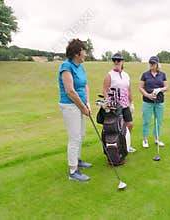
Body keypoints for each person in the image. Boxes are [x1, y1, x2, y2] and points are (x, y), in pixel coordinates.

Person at [58, 39, 93, 182]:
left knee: (81, 135)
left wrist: (88, 103)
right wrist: (83, 107)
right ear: (78, 53)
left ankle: (77, 160)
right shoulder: (66, 67)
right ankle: (73, 171)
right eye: (84, 50)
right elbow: (70, 92)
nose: (86, 53)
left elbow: (85, 85)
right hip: (70, 106)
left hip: (81, 105)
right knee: (74, 138)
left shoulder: (80, 66)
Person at [103, 53, 137, 153]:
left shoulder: (126, 75)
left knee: (129, 124)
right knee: (116, 127)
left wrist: (132, 103)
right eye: (115, 60)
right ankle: (118, 146)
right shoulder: (109, 75)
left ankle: (127, 144)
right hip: (115, 106)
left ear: (122, 62)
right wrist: (107, 102)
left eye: (119, 60)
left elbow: (129, 90)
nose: (117, 62)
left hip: (125, 104)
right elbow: (105, 90)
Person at [139, 56, 168, 148]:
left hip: (159, 101)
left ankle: (157, 139)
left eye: (153, 63)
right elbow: (141, 87)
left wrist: (159, 89)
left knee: (158, 121)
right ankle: (145, 140)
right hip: (147, 101)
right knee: (146, 121)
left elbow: (166, 87)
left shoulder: (162, 74)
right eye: (150, 63)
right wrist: (147, 95)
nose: (152, 64)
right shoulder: (145, 74)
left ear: (157, 64)